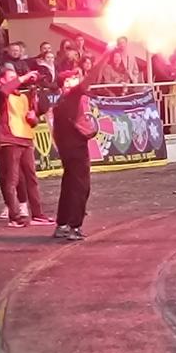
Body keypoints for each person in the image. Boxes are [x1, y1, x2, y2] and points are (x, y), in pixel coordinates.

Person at [51, 45, 117, 240]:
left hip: (67, 150)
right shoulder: (71, 96)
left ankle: (62, 225)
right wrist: (107, 53)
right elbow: (92, 77)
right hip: (76, 150)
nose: (77, 78)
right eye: (73, 77)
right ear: (66, 83)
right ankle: (74, 227)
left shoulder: (61, 101)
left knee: (69, 186)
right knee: (81, 187)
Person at [0, 66, 47, 228]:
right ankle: (14, 216)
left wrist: (33, 118)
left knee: (31, 179)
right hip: (10, 140)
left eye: (16, 78)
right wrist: (23, 77)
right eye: (11, 78)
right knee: (12, 180)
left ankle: (37, 214)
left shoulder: (23, 97)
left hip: (26, 139)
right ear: (3, 80)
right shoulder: (1, 95)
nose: (16, 81)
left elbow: (33, 120)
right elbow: (2, 92)